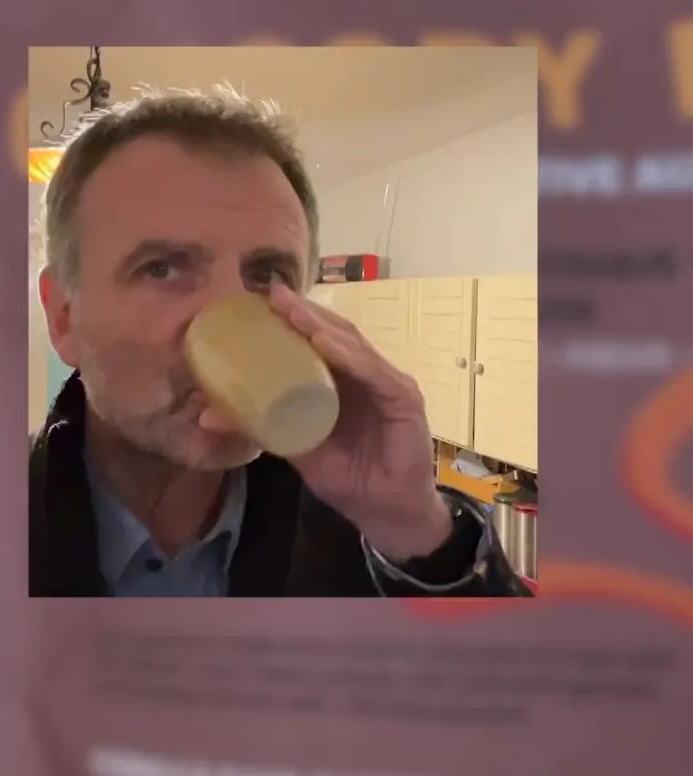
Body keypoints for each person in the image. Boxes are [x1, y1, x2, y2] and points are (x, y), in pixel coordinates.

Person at [29, 88, 530, 598]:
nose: (230, 315)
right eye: (160, 268)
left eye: (267, 274)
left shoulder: (357, 523)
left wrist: (416, 530)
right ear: (63, 318)